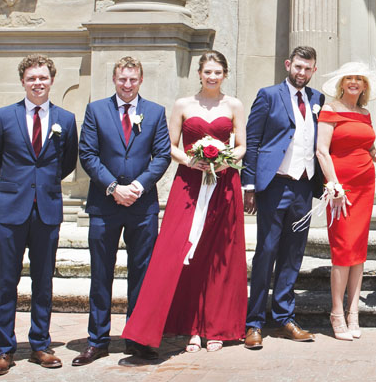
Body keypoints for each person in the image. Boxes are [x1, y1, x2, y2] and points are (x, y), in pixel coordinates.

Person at [122, 51, 247, 353]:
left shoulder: (234, 105)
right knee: (182, 251)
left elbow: (242, 145)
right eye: (207, 72)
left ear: (225, 74)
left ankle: (215, 327)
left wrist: (225, 160)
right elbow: (171, 147)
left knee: (218, 255)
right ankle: (190, 327)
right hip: (188, 184)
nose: (212, 77)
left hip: (223, 184)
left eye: (218, 72)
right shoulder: (183, 105)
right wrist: (193, 162)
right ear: (200, 74)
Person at [0, 54, 79, 376]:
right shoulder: (3, 116)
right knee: (7, 282)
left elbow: (66, 164)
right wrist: (19, 185)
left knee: (43, 281)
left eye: (43, 78)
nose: (37, 83)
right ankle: (4, 350)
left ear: (52, 81)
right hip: (11, 211)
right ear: (23, 81)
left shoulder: (65, 120)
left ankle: (40, 343)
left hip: (47, 211)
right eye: (31, 78)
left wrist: (42, 186)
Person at [73, 56, 171, 365]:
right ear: (115, 80)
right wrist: (114, 187)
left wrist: (138, 187)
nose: (127, 85)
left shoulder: (155, 112)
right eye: (122, 79)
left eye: (132, 80)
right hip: (105, 204)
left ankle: (137, 336)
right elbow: (87, 154)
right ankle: (98, 339)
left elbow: (162, 154)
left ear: (141, 81)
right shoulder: (96, 110)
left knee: (141, 273)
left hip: (142, 206)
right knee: (101, 272)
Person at [241, 46, 326, 349]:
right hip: (274, 184)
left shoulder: (317, 99)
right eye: (298, 67)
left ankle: (285, 316)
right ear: (288, 65)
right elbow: (253, 141)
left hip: (304, 186)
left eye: (308, 69)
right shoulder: (268, 95)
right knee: (266, 251)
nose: (302, 73)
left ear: (314, 70)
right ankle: (253, 323)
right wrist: (249, 185)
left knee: (293, 253)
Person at [315, 59, 376, 341]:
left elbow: (369, 147)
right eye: (350, 78)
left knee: (358, 252)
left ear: (365, 86)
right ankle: (336, 312)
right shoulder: (329, 110)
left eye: (360, 79)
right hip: (340, 188)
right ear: (342, 83)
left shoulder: (364, 112)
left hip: (365, 185)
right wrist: (333, 184)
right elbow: (322, 152)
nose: (354, 82)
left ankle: (354, 312)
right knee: (342, 250)